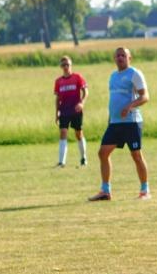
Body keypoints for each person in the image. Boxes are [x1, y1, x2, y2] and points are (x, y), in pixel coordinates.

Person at [89, 47, 151, 201]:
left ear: (130, 57)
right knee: (103, 153)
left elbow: (145, 96)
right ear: (114, 58)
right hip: (115, 123)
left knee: (136, 155)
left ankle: (145, 191)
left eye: (123, 55)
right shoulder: (113, 76)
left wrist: (130, 106)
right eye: (118, 55)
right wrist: (110, 119)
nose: (120, 58)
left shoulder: (134, 74)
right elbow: (114, 100)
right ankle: (105, 191)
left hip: (131, 122)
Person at [54, 56, 88, 166]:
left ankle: (83, 158)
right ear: (60, 66)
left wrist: (82, 103)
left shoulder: (77, 77)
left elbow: (85, 92)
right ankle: (61, 161)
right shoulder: (58, 81)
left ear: (71, 65)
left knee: (78, 133)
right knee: (63, 133)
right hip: (64, 111)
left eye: (67, 64)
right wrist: (57, 113)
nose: (65, 67)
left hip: (76, 110)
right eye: (63, 65)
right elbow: (58, 98)